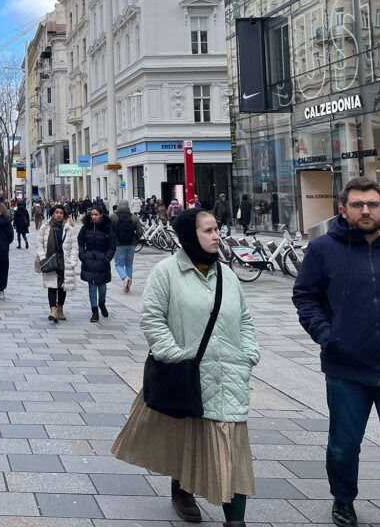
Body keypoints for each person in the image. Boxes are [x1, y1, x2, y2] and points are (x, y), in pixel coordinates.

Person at [112, 208, 259, 526]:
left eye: (216, 229)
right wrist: (173, 354)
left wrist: (249, 354)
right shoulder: (166, 272)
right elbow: (151, 318)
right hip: (187, 372)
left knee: (230, 449)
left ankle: (235, 521)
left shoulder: (228, 276)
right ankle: (181, 487)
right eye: (208, 231)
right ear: (189, 236)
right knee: (186, 434)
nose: (216, 235)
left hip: (230, 375)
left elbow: (245, 319)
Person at [292, 177, 380, 527]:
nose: (365, 210)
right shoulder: (322, 250)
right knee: (344, 448)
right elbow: (305, 297)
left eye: (372, 204)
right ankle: (343, 496)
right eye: (357, 204)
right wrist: (326, 335)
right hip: (346, 370)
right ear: (342, 209)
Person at [35, 203, 79, 323]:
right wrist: (43, 257)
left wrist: (73, 261)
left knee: (62, 287)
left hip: (64, 261)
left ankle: (60, 309)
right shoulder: (45, 227)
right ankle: (53, 310)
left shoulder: (69, 228)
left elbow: (75, 246)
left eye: (61, 213)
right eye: (57, 213)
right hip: (50, 260)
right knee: (51, 286)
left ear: (64, 214)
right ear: (53, 214)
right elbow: (39, 244)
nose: (59, 215)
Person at [79, 204, 116, 323]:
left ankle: (102, 303)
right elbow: (80, 242)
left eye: (96, 214)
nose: (94, 217)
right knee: (92, 286)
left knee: (102, 287)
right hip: (89, 260)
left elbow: (112, 245)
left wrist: (107, 258)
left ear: (101, 215)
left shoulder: (107, 227)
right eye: (92, 215)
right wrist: (83, 256)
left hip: (102, 261)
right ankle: (94, 311)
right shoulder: (86, 227)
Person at [110, 201, 141, 293]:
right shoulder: (134, 218)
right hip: (131, 244)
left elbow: (108, 230)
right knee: (129, 264)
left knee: (118, 264)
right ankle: (128, 284)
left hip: (119, 244)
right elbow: (140, 232)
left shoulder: (113, 216)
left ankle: (125, 278)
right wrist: (135, 240)